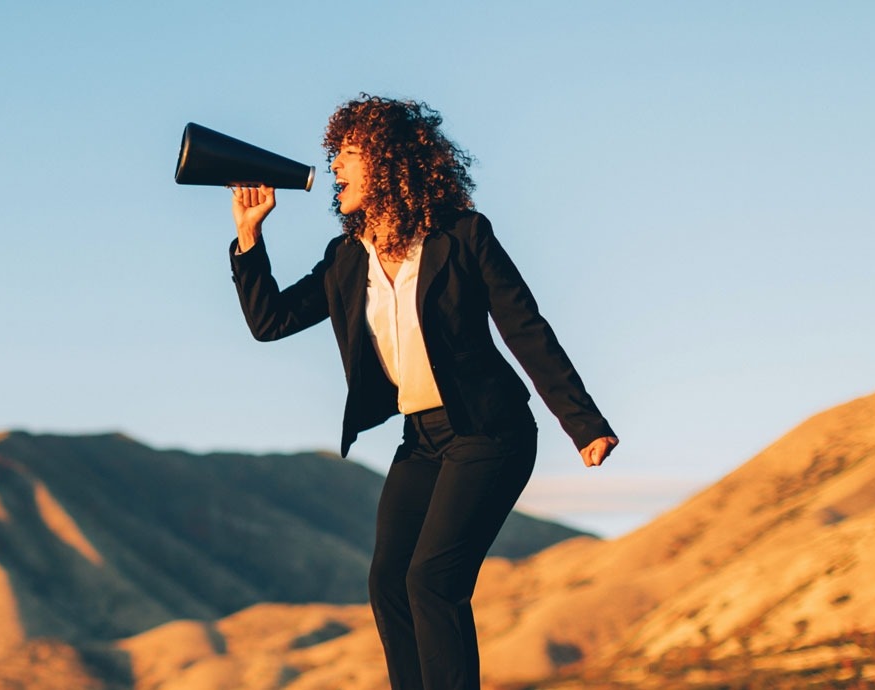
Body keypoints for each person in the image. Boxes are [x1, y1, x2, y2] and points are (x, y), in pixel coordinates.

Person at [225, 94, 618, 690]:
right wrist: (249, 238)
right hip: (422, 440)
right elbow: (270, 321)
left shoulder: (462, 237)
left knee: (432, 581)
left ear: (390, 161)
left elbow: (525, 328)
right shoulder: (344, 259)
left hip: (490, 432)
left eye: (349, 152)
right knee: (388, 582)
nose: (334, 167)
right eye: (335, 154)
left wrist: (583, 423)